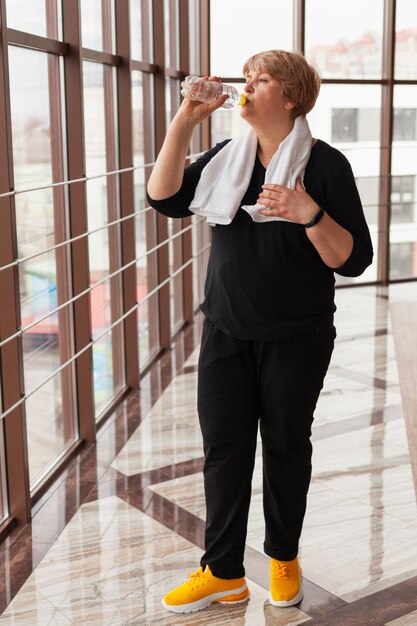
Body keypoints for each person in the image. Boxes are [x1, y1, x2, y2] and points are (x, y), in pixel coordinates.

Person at [146, 49, 373, 614]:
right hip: (226, 329)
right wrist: (184, 121)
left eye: (260, 79)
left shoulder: (324, 165)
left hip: (298, 335)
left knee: (285, 448)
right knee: (224, 451)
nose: (246, 85)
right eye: (247, 77)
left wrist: (309, 213)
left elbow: (353, 259)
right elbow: (165, 197)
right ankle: (222, 571)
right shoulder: (229, 155)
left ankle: (282, 559)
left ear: (290, 97)